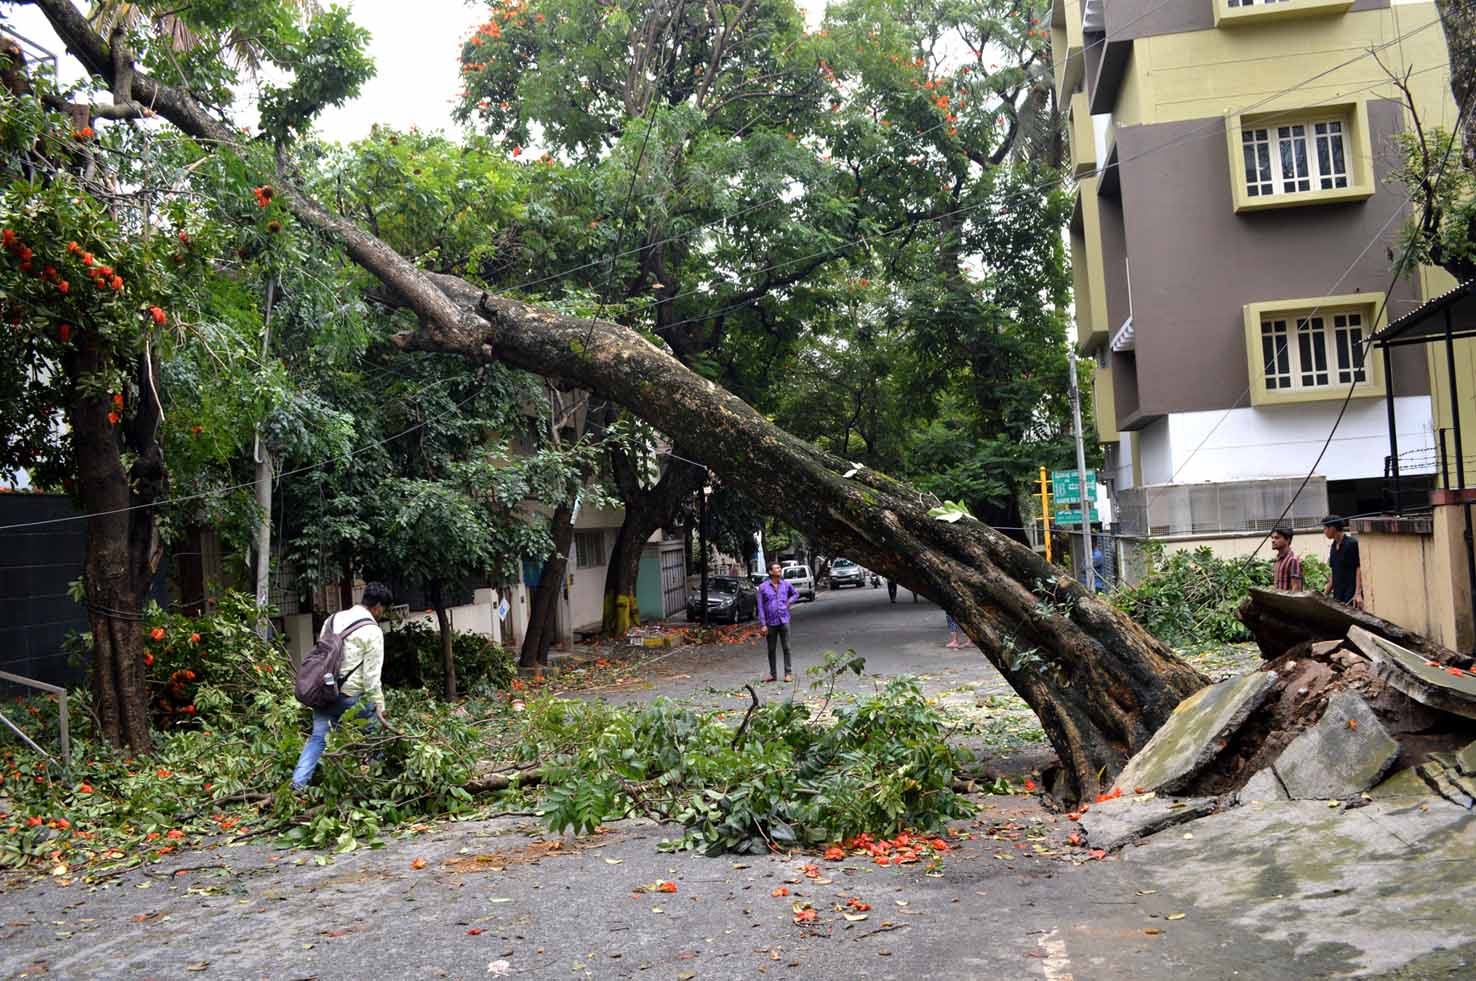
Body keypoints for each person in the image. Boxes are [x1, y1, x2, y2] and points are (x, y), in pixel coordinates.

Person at [291, 582, 394, 791]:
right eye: (383, 609)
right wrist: (380, 708)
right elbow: (371, 678)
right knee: (375, 734)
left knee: (318, 739)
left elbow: (324, 657)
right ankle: (378, 784)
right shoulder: (372, 631)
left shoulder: (332, 619)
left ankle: (298, 786)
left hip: (324, 693)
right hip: (350, 698)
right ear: (378, 606)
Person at [757, 562, 799, 682]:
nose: (779, 569)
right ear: (770, 572)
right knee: (771, 649)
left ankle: (788, 673)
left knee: (787, 648)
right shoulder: (763, 587)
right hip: (770, 623)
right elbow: (760, 607)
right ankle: (773, 674)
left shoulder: (786, 585)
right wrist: (763, 624)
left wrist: (789, 601)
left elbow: (796, 593)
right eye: (776, 568)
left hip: (784, 620)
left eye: (780, 568)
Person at [1321, 515, 1363, 609]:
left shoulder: (1351, 544)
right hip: (1338, 596)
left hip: (1351, 596)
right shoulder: (1333, 546)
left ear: (1332, 528)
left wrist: (1358, 593)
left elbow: (1358, 568)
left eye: (1325, 528)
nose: (1324, 532)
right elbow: (1334, 573)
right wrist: (1324, 595)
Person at [1270, 526, 1303, 591]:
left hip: (1287, 600)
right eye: (1272, 538)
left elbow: (1296, 589)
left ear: (1287, 540)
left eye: (1277, 538)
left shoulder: (1293, 560)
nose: (1273, 541)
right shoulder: (1277, 559)